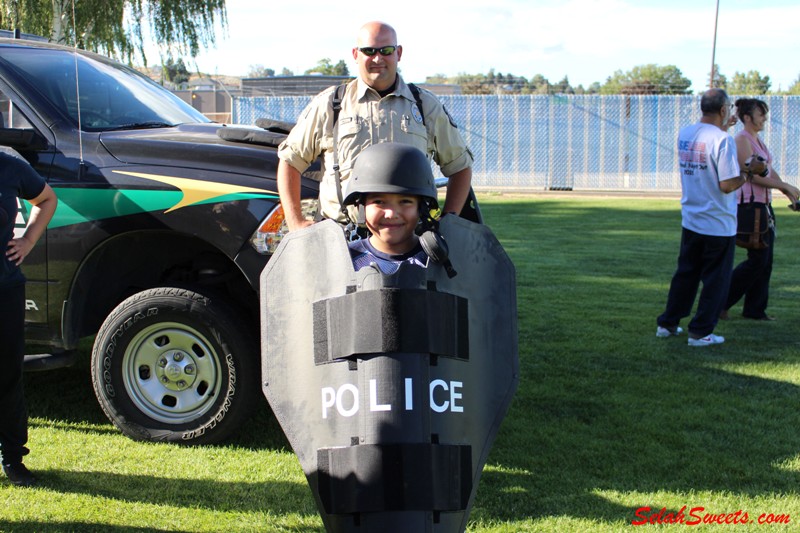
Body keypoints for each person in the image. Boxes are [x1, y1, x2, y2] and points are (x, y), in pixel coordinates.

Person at [277, 20, 473, 231]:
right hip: (341, 241)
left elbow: (460, 166)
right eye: (369, 51)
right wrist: (295, 222)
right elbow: (290, 161)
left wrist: (449, 222)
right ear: (355, 54)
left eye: (386, 50)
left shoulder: (426, 106)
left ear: (398, 53)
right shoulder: (330, 105)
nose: (378, 58)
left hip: (409, 242)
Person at [656, 89, 750, 347]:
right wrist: (747, 174)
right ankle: (700, 332)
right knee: (715, 281)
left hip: (692, 218)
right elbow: (728, 184)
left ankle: (668, 323)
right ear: (722, 110)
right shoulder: (723, 140)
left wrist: (724, 129)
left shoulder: (685, 133)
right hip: (718, 223)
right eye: (728, 109)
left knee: (686, 274)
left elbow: (706, 151)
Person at [1, 147, 57, 486]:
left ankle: (12, 458)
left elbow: (47, 200)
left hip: (5, 288)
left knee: (7, 376)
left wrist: (29, 240)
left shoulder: (9, 166)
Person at [720, 98, 800, 321]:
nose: (764, 117)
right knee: (758, 260)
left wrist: (787, 191)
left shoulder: (757, 141)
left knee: (765, 261)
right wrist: (783, 185)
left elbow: (767, 171)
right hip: (749, 206)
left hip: (764, 206)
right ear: (747, 117)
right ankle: (722, 302)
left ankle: (755, 310)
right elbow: (753, 175)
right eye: (761, 113)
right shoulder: (742, 140)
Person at [341, 143, 436, 275]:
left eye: (405, 201)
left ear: (421, 208)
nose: (391, 214)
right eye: (379, 202)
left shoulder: (437, 261)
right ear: (361, 206)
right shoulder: (345, 261)